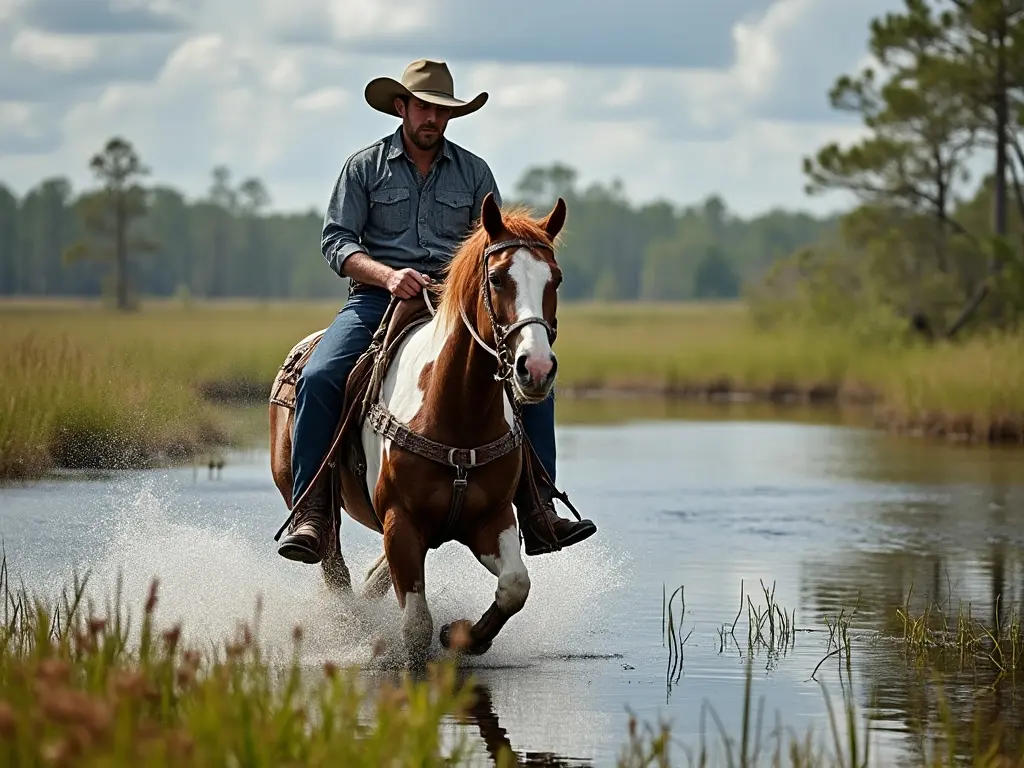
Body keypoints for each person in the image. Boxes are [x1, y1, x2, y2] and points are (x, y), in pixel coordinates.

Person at [277, 59, 597, 565]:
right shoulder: (364, 168)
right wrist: (387, 276)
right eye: (424, 107)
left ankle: (538, 508)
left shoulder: (474, 173)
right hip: (378, 298)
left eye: (442, 111)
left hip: (457, 303)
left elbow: (494, 246)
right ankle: (312, 510)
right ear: (401, 107)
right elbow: (336, 241)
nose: (433, 119)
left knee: (532, 380)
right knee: (319, 377)